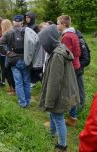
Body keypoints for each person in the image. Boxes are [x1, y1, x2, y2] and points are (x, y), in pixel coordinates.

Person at [38, 24, 79, 152]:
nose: (43, 46)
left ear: (49, 40)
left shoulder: (57, 55)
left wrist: (49, 100)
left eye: (43, 42)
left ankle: (62, 145)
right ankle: (51, 133)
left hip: (60, 92)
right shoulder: (61, 49)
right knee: (54, 114)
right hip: (66, 89)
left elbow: (55, 81)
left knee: (58, 117)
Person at [0, 14, 31, 108]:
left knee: (18, 82)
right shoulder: (28, 31)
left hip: (14, 60)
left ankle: (22, 103)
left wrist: (7, 52)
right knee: (26, 82)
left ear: (13, 22)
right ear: (22, 22)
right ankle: (28, 102)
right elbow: (35, 42)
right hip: (26, 59)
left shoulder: (8, 32)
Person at [57, 15, 81, 127]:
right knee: (73, 91)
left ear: (64, 24)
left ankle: (70, 118)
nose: (57, 25)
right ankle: (72, 117)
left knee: (68, 92)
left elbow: (65, 54)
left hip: (70, 67)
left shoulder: (66, 36)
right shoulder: (73, 34)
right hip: (76, 65)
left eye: (58, 23)